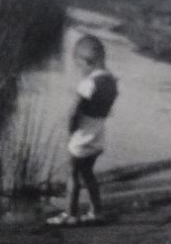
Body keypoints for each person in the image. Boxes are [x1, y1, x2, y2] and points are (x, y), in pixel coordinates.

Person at [47, 33, 118, 227]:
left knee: (73, 175)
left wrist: (70, 130)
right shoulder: (111, 81)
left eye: (79, 66)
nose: (80, 71)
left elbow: (74, 111)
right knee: (88, 173)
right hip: (98, 135)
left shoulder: (89, 83)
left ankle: (70, 214)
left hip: (83, 135)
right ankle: (96, 211)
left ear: (87, 61)